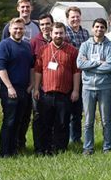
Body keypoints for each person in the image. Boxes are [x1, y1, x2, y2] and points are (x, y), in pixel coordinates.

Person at [33, 22, 81, 155]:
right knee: (45, 123)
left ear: (65, 34)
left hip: (64, 93)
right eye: (56, 33)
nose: (58, 35)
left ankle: (60, 149)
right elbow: (38, 71)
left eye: (61, 33)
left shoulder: (72, 51)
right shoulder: (43, 50)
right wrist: (36, 89)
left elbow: (76, 72)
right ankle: (44, 148)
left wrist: (76, 90)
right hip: (46, 93)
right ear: (51, 33)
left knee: (62, 123)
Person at [77, 17, 111, 154]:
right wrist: (99, 63)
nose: (99, 29)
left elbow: (109, 67)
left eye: (102, 27)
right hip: (88, 88)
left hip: (105, 87)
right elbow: (80, 64)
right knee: (88, 120)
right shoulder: (85, 45)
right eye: (97, 27)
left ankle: (108, 147)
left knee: (106, 120)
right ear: (93, 28)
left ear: (106, 30)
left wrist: (89, 65)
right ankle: (88, 148)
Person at [0, 17, 34, 157]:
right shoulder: (4, 45)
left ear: (24, 29)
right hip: (10, 89)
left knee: (20, 120)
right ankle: (5, 152)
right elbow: (1, 68)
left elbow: (31, 66)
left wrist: (32, 84)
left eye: (20, 28)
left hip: (24, 89)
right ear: (10, 29)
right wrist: (9, 87)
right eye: (15, 28)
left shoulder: (27, 45)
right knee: (9, 120)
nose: (18, 31)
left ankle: (14, 149)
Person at [28, 13, 54, 154]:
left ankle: (50, 146)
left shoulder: (60, 38)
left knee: (51, 117)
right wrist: (34, 85)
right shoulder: (34, 42)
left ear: (52, 24)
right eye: (42, 24)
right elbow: (31, 65)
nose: (45, 27)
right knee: (38, 116)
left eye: (48, 24)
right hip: (39, 85)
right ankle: (39, 147)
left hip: (54, 85)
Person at [64, 6, 88, 145]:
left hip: (83, 75)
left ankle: (76, 138)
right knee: (66, 109)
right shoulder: (65, 33)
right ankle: (65, 137)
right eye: (72, 17)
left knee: (78, 110)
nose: (75, 19)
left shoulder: (85, 33)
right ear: (68, 18)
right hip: (68, 75)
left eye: (77, 16)